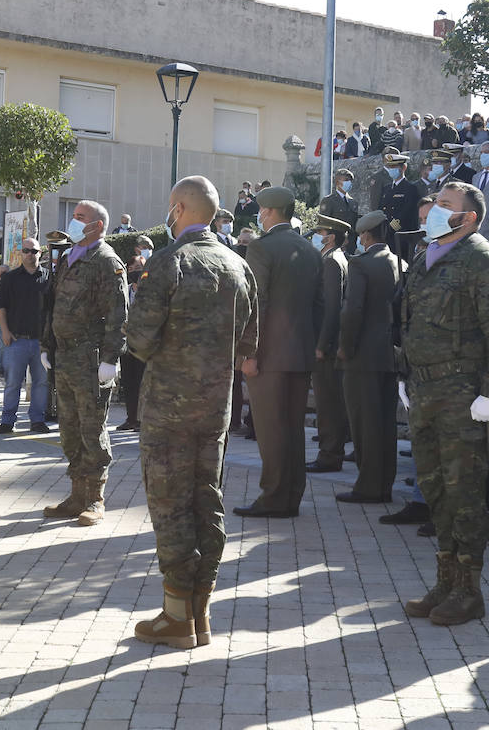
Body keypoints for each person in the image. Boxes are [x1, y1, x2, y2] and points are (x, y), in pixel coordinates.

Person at [126, 175, 257, 649]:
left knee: (170, 505)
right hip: (216, 407)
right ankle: (201, 612)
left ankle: (177, 615)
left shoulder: (169, 262)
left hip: (167, 409)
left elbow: (138, 340)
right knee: (208, 500)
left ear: (178, 210)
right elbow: (249, 343)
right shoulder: (239, 266)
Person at [399, 182, 489, 626]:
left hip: (463, 396)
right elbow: (407, 323)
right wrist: (405, 376)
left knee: (464, 492)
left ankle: (469, 591)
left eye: (445, 205)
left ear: (468, 217)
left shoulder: (484, 261)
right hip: (425, 391)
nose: (433, 210)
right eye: (435, 202)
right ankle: (445, 581)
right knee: (434, 488)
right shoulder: (427, 255)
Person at [232, 186, 323, 518]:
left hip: (267, 355)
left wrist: (248, 354)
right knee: (293, 429)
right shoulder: (310, 250)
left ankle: (273, 498)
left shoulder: (261, 248)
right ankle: (290, 496)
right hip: (299, 355)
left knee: (271, 431)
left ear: (268, 212)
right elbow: (319, 306)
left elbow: (257, 304)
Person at [40, 200, 128, 527]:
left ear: (98, 226)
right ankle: (76, 494)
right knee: (69, 429)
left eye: (80, 218)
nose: (73, 222)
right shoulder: (69, 258)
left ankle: (94, 498)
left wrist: (111, 359)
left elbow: (119, 314)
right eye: (73, 216)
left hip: (91, 360)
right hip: (65, 357)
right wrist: (46, 345)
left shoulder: (106, 262)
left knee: (92, 430)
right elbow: (53, 307)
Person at [334, 209, 401, 504]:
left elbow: (353, 311)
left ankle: (369, 486)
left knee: (364, 423)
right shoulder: (401, 262)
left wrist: (345, 348)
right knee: (385, 424)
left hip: (363, 354)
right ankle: (383, 483)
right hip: (390, 353)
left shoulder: (361, 264)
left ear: (364, 235)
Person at [306, 215, 351, 475]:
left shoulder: (332, 262)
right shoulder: (333, 258)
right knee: (330, 401)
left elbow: (333, 307)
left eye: (319, 231)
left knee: (328, 403)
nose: (316, 236)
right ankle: (331, 451)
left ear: (330, 236)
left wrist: (322, 344)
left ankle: (329, 455)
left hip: (328, 344)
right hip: (330, 341)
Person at [0, 236, 50, 433]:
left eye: (33, 251)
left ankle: (37, 420)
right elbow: (0, 306)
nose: (29, 254)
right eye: (26, 251)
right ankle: (7, 421)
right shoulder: (10, 278)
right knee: (12, 383)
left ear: (40, 253)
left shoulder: (48, 277)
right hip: (16, 340)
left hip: (41, 343)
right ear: (21, 253)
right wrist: (5, 333)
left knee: (41, 383)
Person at [116, 253, 146, 431]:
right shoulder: (125, 290)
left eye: (139, 269)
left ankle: (142, 420)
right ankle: (131, 418)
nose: (135, 272)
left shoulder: (149, 291)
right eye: (132, 269)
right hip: (127, 344)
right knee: (128, 382)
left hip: (143, 345)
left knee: (142, 382)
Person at [318, 169, 358, 252]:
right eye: (346, 180)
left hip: (350, 246)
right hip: (335, 244)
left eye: (350, 180)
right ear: (337, 182)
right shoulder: (329, 200)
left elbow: (354, 226)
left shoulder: (353, 202)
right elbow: (324, 225)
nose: (349, 183)